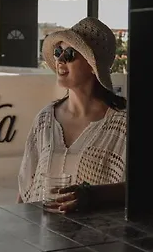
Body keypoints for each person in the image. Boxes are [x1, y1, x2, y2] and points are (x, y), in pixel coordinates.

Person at [17, 17, 127, 213]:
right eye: (58, 52)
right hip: (42, 228)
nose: (60, 60)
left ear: (92, 65)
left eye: (69, 54)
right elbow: (26, 186)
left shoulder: (123, 125)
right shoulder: (45, 119)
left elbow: (141, 188)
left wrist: (91, 196)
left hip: (97, 231)